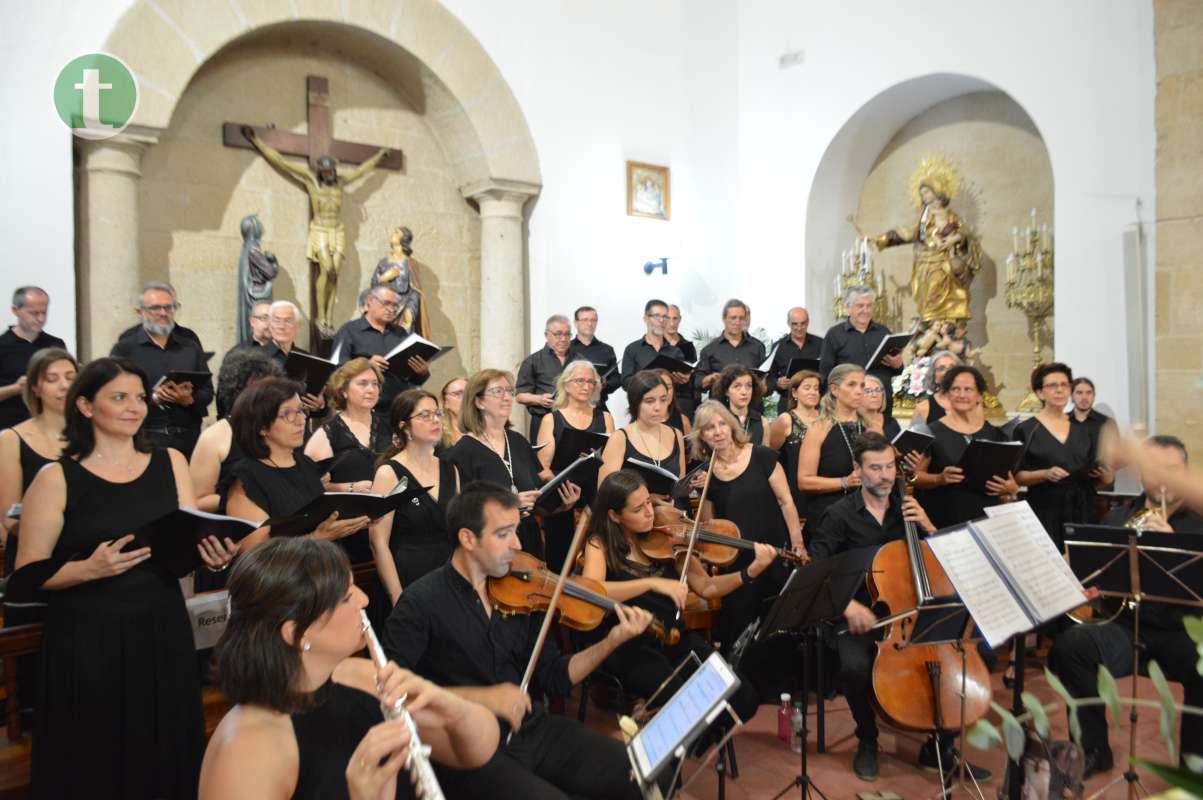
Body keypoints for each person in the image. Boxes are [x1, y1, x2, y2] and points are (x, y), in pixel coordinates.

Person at [16, 357, 235, 798]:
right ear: (85, 406)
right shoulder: (57, 477)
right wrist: (87, 569)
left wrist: (209, 555)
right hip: (87, 635)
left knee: (163, 745)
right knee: (95, 755)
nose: (134, 407)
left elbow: (180, 548)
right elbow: (25, 576)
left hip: (159, 624)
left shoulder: (170, 461)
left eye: (139, 396)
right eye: (119, 397)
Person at [382, 481, 653, 799]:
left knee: (636, 770)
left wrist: (611, 641)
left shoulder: (525, 593)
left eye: (516, 530)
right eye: (503, 534)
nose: (517, 543)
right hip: (467, 749)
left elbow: (555, 676)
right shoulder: (420, 602)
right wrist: (484, 699)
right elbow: (391, 699)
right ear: (468, 538)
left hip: (531, 729)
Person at [199, 538, 500, 800]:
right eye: (346, 597)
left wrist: (449, 704)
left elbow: (477, 751)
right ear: (297, 634)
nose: (364, 600)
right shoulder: (245, 750)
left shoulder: (357, 676)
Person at [808, 431, 987, 782]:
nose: (886, 475)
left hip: (912, 610)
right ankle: (868, 738)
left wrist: (928, 525)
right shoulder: (838, 515)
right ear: (858, 470)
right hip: (858, 612)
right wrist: (847, 607)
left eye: (890, 466)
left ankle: (940, 745)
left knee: (971, 656)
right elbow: (817, 571)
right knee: (855, 667)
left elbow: (946, 559)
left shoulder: (910, 509)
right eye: (875, 468)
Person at [1048, 435, 1203, 777]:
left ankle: (1195, 768)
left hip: (1185, 633)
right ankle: (1092, 749)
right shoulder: (1118, 519)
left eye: (1172, 471)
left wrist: (1172, 545)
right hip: (1126, 627)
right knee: (1072, 646)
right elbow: (1089, 574)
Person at [579, 470, 767, 733]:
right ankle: (671, 743)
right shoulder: (599, 544)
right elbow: (594, 591)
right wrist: (651, 582)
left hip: (676, 637)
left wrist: (749, 573)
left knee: (743, 696)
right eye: (638, 509)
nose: (649, 512)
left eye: (648, 502)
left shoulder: (669, 538)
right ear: (614, 515)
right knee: (684, 702)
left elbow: (706, 586)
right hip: (631, 646)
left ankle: (684, 742)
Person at [691, 401, 802, 656]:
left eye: (721, 424)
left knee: (777, 622)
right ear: (702, 436)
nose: (717, 432)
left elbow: (786, 502)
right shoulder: (706, 474)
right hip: (738, 560)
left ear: (731, 426)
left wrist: (797, 542)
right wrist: (701, 490)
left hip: (775, 549)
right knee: (741, 627)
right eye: (709, 428)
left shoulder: (761, 455)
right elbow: (712, 528)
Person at [444, 369, 578, 559]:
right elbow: (461, 513)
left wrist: (561, 504)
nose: (507, 398)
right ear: (479, 401)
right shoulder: (461, 453)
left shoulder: (518, 442)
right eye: (498, 391)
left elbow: (537, 500)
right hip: (491, 548)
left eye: (510, 391)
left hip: (528, 542)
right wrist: (508, 504)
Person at [225, 377, 370, 550]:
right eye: (288, 414)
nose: (301, 420)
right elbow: (254, 556)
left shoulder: (305, 463)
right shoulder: (246, 478)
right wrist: (316, 538)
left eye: (301, 410)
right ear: (261, 427)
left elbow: (319, 518)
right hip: (285, 575)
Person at [0, 348, 77, 616]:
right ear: (35, 387)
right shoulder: (11, 439)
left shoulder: (95, 435)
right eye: (52, 378)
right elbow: (10, 518)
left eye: (70, 376)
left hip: (85, 561)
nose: (64, 385)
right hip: (35, 561)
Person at [369, 389, 459, 606]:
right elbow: (378, 542)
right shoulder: (389, 473)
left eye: (437, 413)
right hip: (410, 577)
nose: (435, 420)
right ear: (404, 426)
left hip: (450, 574)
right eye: (425, 415)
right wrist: (397, 596)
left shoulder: (450, 468)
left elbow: (458, 528)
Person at [110, 282, 214, 457]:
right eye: (155, 308)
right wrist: (153, 397)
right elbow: (113, 394)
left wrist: (189, 399)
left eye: (169, 307)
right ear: (140, 312)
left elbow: (208, 392)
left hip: (188, 438)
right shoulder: (125, 349)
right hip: (144, 437)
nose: (163, 313)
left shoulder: (189, 346)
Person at [910, 366, 1018, 529]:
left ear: (979, 395)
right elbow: (915, 477)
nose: (961, 395)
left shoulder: (996, 434)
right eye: (955, 389)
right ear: (947, 394)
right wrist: (939, 478)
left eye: (968, 389)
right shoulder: (931, 431)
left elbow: (1008, 482)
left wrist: (1011, 488)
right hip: (944, 519)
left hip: (986, 521)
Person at [535, 361, 614, 572]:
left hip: (595, 498)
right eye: (580, 380)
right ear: (566, 384)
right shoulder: (551, 419)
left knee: (600, 560)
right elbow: (543, 468)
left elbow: (611, 462)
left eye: (591, 381)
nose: (586, 386)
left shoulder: (605, 418)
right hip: (563, 499)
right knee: (560, 565)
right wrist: (563, 489)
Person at [190, 348, 284, 514]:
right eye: (258, 388)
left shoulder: (279, 428)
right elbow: (198, 500)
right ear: (236, 390)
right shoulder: (215, 436)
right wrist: (250, 497)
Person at [1013, 363, 1094, 549]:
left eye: (1064, 385)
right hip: (1045, 508)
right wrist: (1045, 474)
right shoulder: (1026, 429)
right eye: (1052, 386)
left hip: (1081, 507)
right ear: (1040, 393)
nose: (1059, 390)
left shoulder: (1083, 428)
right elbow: (1017, 477)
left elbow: (1090, 467)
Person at [797, 363, 874, 538]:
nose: (859, 391)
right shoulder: (819, 429)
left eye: (862, 385)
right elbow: (804, 481)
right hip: (828, 519)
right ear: (834, 390)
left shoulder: (870, 427)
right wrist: (843, 482)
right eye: (852, 385)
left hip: (866, 516)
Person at [331, 284, 431, 413]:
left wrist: (421, 372)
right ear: (370, 301)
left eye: (395, 306)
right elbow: (336, 368)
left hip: (399, 407)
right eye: (386, 303)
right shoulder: (349, 331)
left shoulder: (400, 333)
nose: (391, 309)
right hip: (365, 408)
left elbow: (412, 379)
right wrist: (366, 366)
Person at [304, 358, 391, 494]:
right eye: (363, 384)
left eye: (375, 384)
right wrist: (350, 488)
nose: (371, 390)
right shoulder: (328, 433)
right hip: (348, 511)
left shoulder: (389, 426)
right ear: (344, 390)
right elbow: (307, 484)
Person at [598, 370, 686, 498]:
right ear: (635, 402)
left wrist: (692, 484)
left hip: (672, 512)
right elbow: (605, 493)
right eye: (649, 401)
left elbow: (679, 489)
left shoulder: (676, 434)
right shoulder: (620, 438)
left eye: (663, 399)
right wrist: (647, 500)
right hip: (634, 514)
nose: (658, 407)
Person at [820, 286, 904, 417]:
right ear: (848, 308)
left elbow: (896, 370)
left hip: (880, 404)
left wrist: (898, 365)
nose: (865, 310)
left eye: (869, 306)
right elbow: (826, 374)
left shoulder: (884, 332)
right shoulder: (834, 334)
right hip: (850, 405)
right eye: (860, 306)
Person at [0, 287, 67, 430]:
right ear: (15, 310)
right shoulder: (2, 346)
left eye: (44, 312)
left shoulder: (56, 344)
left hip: (49, 427)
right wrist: (15, 389)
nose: (40, 318)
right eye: (34, 313)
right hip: (9, 427)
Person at [769, 369, 821, 521]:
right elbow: (770, 458)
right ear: (795, 393)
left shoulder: (827, 419)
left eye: (816, 388)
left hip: (823, 489)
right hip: (795, 490)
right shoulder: (785, 420)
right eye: (807, 388)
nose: (813, 392)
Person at [695, 299, 766, 404]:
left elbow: (767, 378)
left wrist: (764, 383)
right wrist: (710, 379)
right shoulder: (709, 349)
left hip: (752, 409)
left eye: (741, 318)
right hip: (720, 410)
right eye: (733, 318)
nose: (737, 322)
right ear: (724, 318)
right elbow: (697, 382)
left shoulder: (758, 347)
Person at [516, 314, 573, 440]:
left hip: (574, 420)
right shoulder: (533, 361)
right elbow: (520, 396)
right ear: (547, 335)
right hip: (543, 420)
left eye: (567, 334)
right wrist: (539, 399)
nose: (563, 339)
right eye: (558, 334)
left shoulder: (579, 360)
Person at [1069, 376, 1118, 521]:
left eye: (1088, 393)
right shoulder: (1063, 422)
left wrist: (1108, 469)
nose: (1084, 397)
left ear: (1093, 396)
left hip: (1099, 489)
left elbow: (1114, 455)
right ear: (1072, 396)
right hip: (1069, 491)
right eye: (1079, 393)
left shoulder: (1106, 423)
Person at [263, 300, 324, 414]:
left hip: (300, 424)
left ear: (297, 327)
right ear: (270, 325)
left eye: (288, 321)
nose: (281, 326)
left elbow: (320, 409)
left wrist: (319, 406)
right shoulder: (256, 358)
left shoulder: (308, 359)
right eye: (277, 320)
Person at [620, 300, 690, 395]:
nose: (661, 320)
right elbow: (625, 383)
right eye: (657, 316)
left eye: (665, 316)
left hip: (668, 405)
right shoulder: (632, 349)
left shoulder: (676, 351)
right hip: (641, 405)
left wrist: (682, 380)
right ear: (646, 318)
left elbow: (680, 388)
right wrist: (647, 380)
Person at [766, 307, 823, 410]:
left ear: (808, 322)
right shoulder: (778, 347)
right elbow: (769, 377)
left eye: (803, 323)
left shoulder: (821, 344)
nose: (799, 328)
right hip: (788, 403)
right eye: (795, 324)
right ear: (788, 323)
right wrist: (777, 383)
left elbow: (829, 370)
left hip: (816, 403)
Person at [568, 306, 621, 404]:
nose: (589, 324)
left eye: (593, 320)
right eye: (585, 320)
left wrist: (604, 384)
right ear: (575, 323)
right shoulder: (567, 348)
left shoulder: (607, 349)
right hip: (570, 405)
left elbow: (616, 379)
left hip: (598, 405)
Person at [710, 365, 768, 447]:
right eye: (737, 386)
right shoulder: (717, 420)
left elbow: (766, 457)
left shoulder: (762, 422)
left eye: (748, 386)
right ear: (726, 391)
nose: (744, 392)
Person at [911, 350, 962, 427]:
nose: (948, 372)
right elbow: (913, 438)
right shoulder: (923, 408)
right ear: (934, 377)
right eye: (941, 368)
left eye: (952, 367)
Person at [663, 304, 698, 417]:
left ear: (680, 320)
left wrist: (689, 376)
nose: (672, 323)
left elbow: (693, 373)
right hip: (661, 397)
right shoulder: (655, 345)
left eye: (675, 318)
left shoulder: (688, 346)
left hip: (683, 400)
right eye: (668, 318)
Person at [860, 373, 900, 442]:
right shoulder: (853, 424)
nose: (874, 395)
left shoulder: (890, 421)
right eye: (868, 391)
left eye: (878, 390)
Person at [653, 368, 691, 434]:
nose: (666, 392)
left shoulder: (683, 420)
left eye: (669, 387)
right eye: (660, 387)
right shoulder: (640, 423)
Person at [440, 376, 468, 450]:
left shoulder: (486, 432)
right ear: (446, 402)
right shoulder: (437, 435)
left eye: (469, 394)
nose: (466, 398)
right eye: (458, 394)